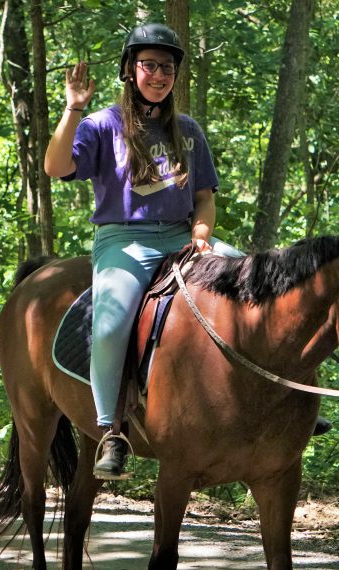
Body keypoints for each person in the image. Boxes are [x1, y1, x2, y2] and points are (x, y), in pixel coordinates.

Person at [43, 23, 220, 480]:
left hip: (182, 236)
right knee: (111, 322)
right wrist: (72, 109)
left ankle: (274, 403)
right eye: (149, 65)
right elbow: (56, 166)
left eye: (167, 67)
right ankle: (111, 431)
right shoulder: (102, 125)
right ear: (129, 70)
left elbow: (204, 196)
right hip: (124, 239)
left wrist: (201, 232)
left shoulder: (188, 130)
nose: (158, 75)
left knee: (251, 282)